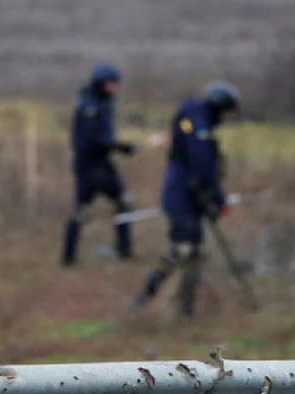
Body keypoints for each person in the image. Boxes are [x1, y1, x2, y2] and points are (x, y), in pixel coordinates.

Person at [129, 81, 241, 317]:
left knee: (195, 253)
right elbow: (202, 166)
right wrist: (216, 198)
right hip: (180, 198)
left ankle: (185, 307)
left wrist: (215, 198)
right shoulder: (195, 122)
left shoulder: (201, 123)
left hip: (192, 199)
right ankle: (147, 294)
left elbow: (207, 169)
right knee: (184, 250)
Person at [61, 64, 137, 266]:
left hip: (99, 163)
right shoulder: (90, 107)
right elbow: (94, 139)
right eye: (112, 84)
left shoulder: (100, 103)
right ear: (101, 84)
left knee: (116, 204)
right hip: (91, 165)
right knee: (97, 208)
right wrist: (121, 147)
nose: (115, 89)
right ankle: (121, 250)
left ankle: (122, 250)